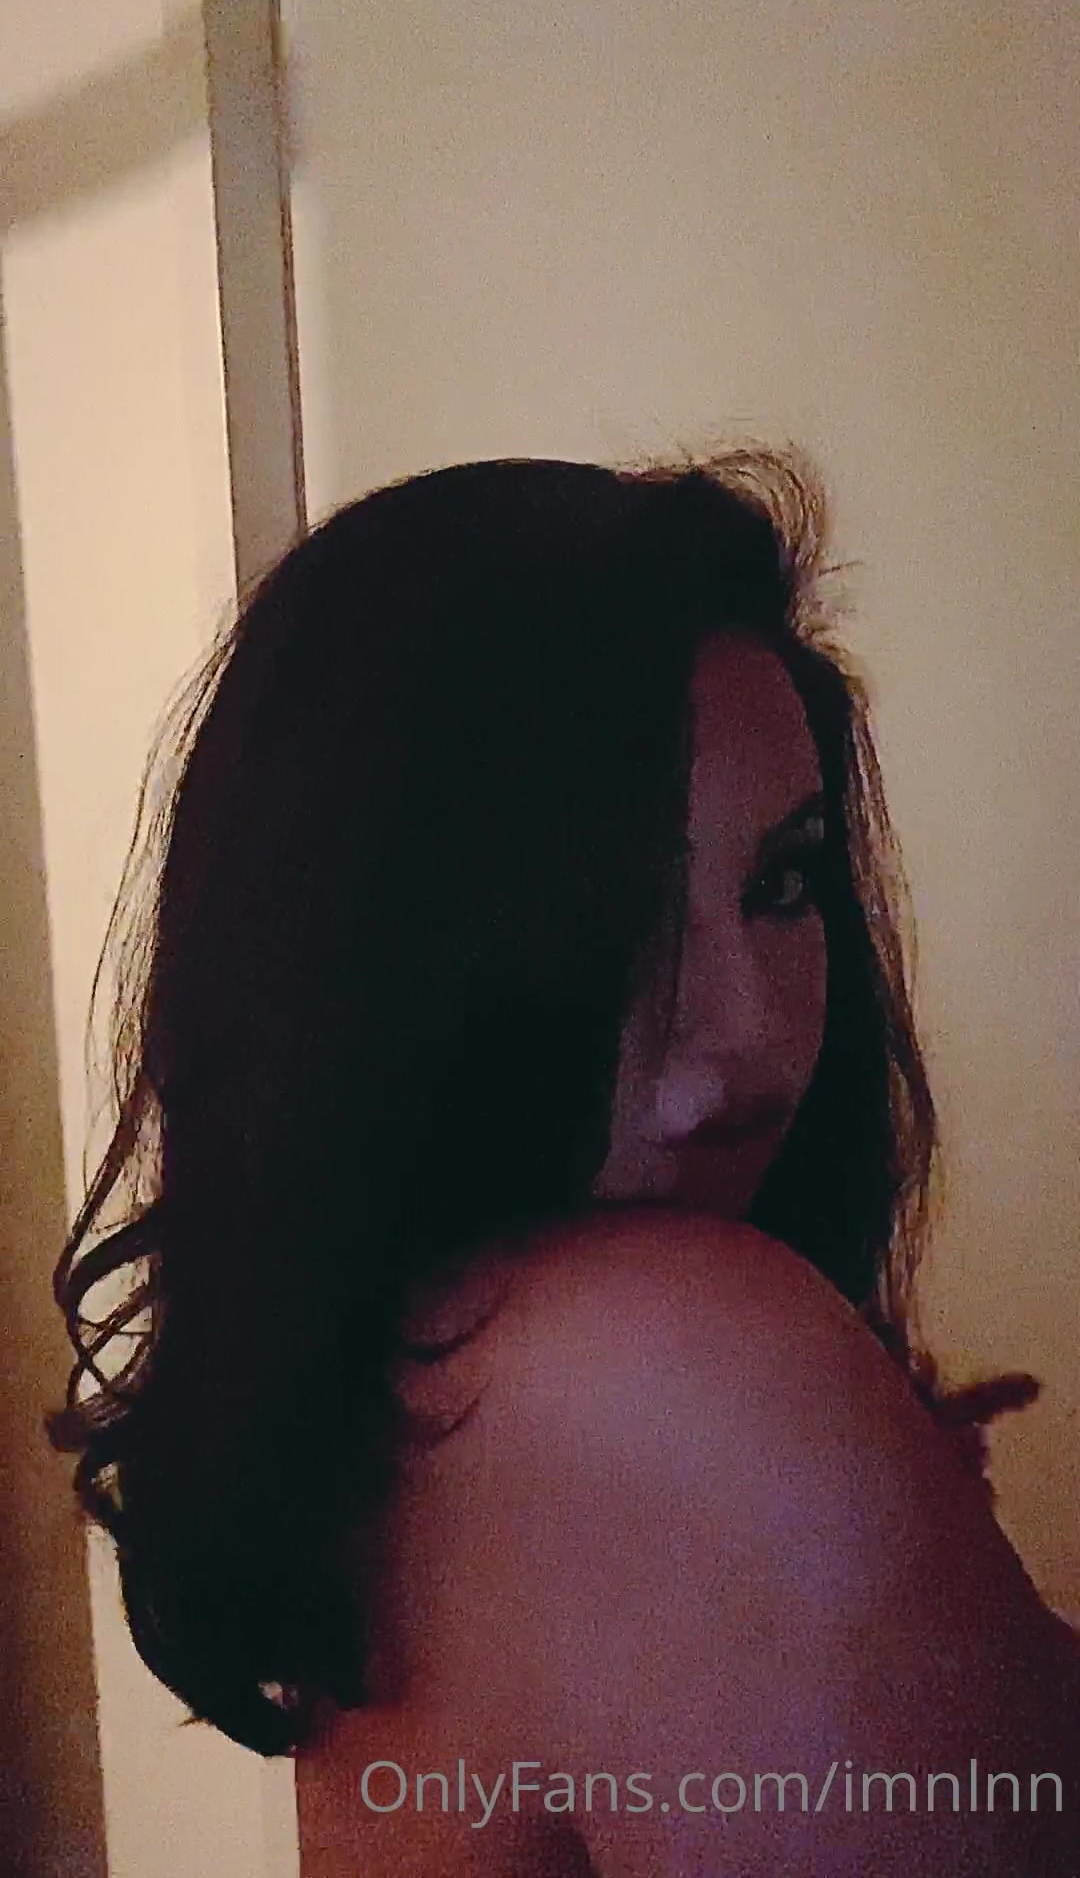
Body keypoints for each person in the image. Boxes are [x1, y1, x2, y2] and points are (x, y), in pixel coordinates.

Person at [49, 447, 1079, 1874]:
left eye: (783, 884)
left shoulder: (417, 1391)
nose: (746, 1037)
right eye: (616, 922)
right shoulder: (662, 1367)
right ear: (371, 962)